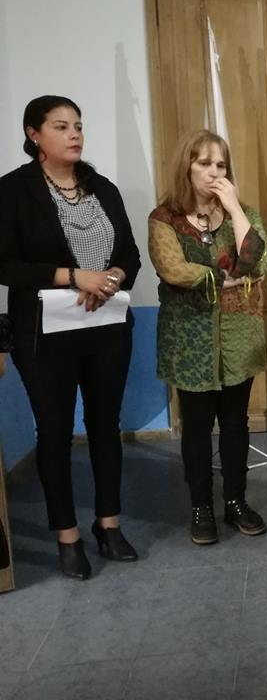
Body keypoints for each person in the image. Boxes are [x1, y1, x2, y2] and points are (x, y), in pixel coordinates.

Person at [0, 95, 141, 580]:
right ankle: (67, 535)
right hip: (45, 335)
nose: (75, 133)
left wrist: (115, 276)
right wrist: (72, 276)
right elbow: (5, 265)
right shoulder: (14, 191)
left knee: (105, 426)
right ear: (34, 135)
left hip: (107, 328)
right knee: (55, 432)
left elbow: (130, 254)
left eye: (78, 125)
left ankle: (109, 524)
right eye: (61, 126)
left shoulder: (102, 188)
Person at [148, 130, 267, 545]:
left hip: (238, 336)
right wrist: (226, 278)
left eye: (221, 164)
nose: (214, 172)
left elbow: (259, 262)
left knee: (236, 423)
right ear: (186, 167)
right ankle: (201, 507)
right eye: (204, 163)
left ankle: (236, 501)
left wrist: (234, 208)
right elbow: (173, 269)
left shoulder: (243, 213)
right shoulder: (164, 218)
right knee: (197, 427)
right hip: (191, 339)